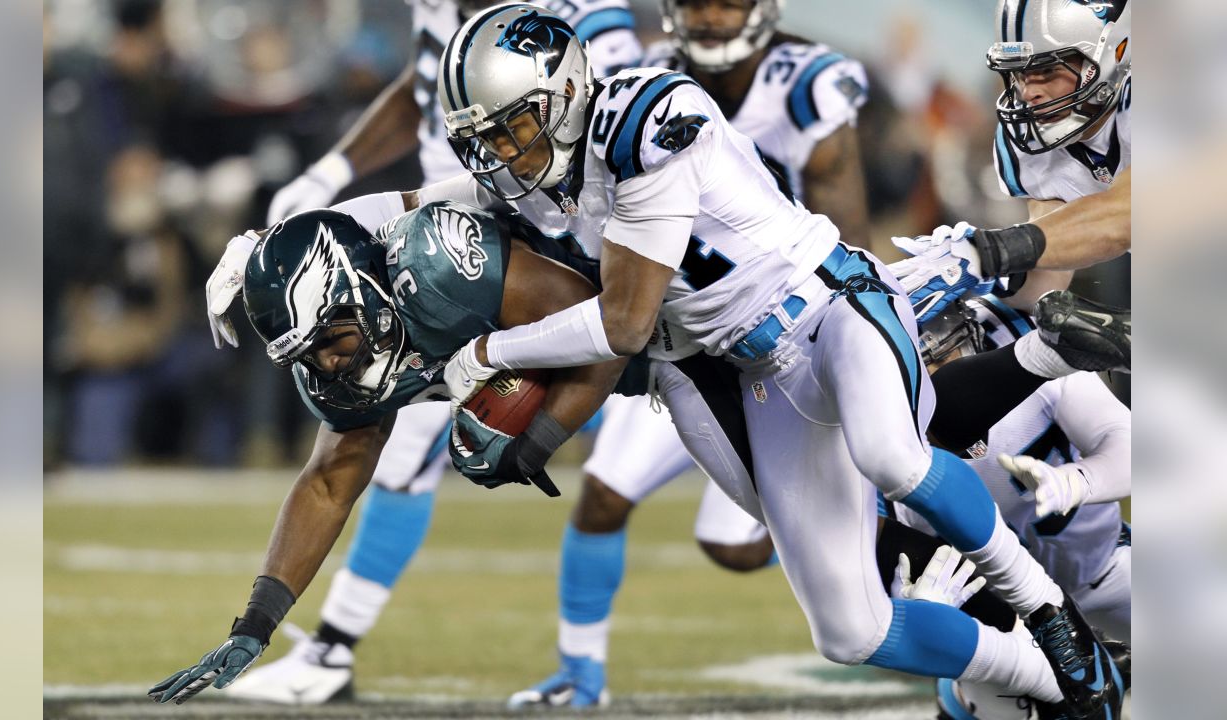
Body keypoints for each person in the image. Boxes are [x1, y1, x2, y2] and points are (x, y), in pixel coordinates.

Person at [406, 5, 1118, 716]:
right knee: (848, 628)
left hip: (826, 306)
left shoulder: (651, 114)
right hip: (742, 375)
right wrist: (339, 214)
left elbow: (624, 322)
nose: (503, 153)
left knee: (893, 458)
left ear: (563, 96)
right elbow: (440, 200)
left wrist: (487, 353)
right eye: (486, 138)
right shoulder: (534, 179)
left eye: (514, 128)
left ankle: (1051, 616)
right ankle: (1041, 675)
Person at [219, 0, 643, 704]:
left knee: (670, 441)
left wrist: (532, 424)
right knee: (399, 428)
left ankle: (332, 652)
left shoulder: (577, 14)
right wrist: (327, 182)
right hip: (464, 226)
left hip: (568, 247)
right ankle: (332, 650)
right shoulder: (438, 14)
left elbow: (624, 138)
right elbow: (422, 91)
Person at [509, 0, 877, 706]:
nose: (710, 18)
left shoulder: (807, 89)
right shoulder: (633, 86)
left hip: (788, 337)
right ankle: (579, 674)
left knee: (744, 547)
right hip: (677, 333)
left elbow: (849, 229)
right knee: (602, 495)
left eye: (727, 2)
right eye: (696, 2)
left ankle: (951, 595)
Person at [150, 199, 654, 705]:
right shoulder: (333, 367)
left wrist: (536, 440)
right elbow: (327, 485)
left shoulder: (439, 265)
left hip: (678, 340)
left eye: (328, 338)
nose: (326, 363)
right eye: (306, 354)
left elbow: (603, 324)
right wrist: (256, 624)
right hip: (646, 375)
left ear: (361, 293)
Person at [887, 0, 1132, 456]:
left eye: (1047, 70)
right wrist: (978, 292)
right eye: (1019, 74)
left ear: (1114, 53)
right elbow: (1049, 268)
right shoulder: (1035, 136)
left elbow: (1127, 217)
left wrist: (985, 252)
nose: (1029, 92)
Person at [896, 297, 1131, 720]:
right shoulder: (862, 425)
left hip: (1105, 566)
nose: (927, 394)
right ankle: (960, 698)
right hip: (1001, 613)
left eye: (939, 367)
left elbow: (1131, 444)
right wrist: (918, 610)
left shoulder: (1025, 348)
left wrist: (1076, 481)